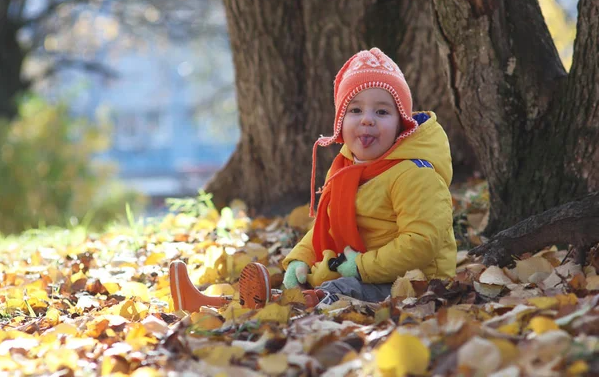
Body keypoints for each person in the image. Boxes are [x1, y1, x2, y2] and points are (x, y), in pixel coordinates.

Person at [169, 48, 456, 312]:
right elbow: (326, 225)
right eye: (355, 110)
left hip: (413, 283)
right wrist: (300, 259)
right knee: (305, 286)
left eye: (381, 111)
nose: (367, 119)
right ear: (340, 122)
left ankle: (276, 309)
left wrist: (361, 266)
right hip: (358, 270)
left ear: (401, 122)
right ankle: (215, 304)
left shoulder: (415, 173)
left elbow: (422, 242)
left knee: (336, 292)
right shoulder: (347, 168)